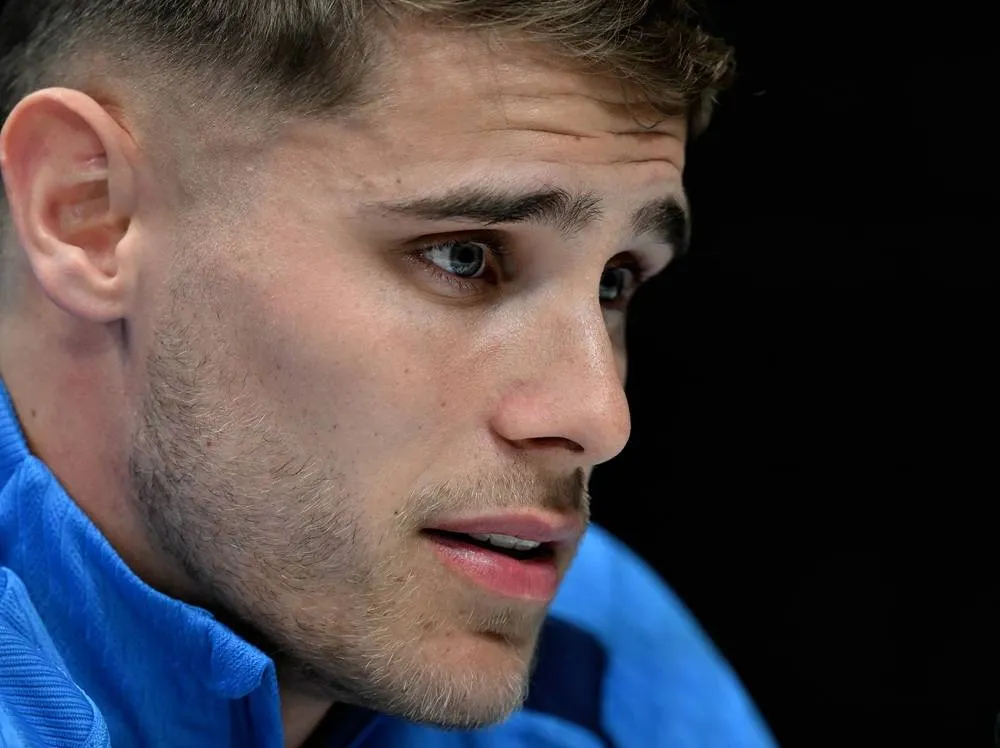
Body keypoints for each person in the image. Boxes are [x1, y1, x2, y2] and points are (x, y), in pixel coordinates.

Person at [0, 1, 776, 746]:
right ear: (88, 213)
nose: (601, 418)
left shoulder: (602, 635)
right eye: (464, 257)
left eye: (614, 283)